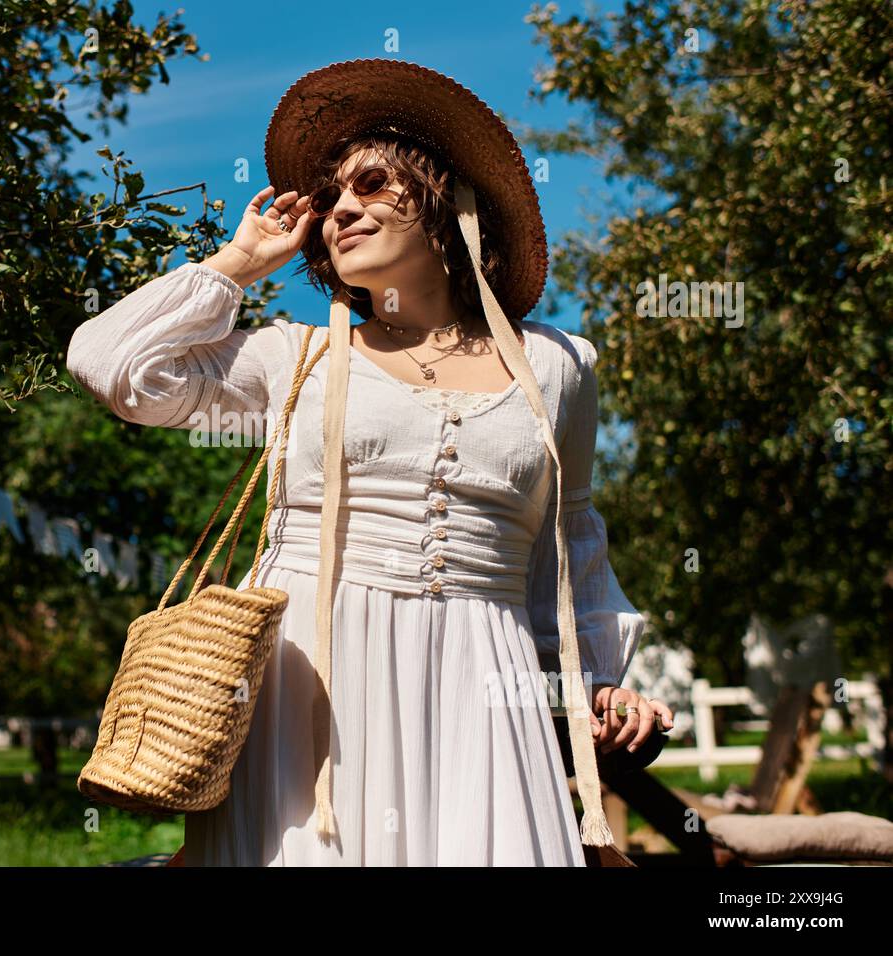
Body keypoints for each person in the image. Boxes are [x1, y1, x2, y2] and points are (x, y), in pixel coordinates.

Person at [67, 59, 673, 865]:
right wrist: (240, 264)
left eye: (372, 184)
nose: (341, 209)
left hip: (483, 678)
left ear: (448, 200)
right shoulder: (296, 358)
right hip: (307, 683)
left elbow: (570, 541)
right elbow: (111, 366)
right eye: (333, 198)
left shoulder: (559, 366)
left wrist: (600, 679)